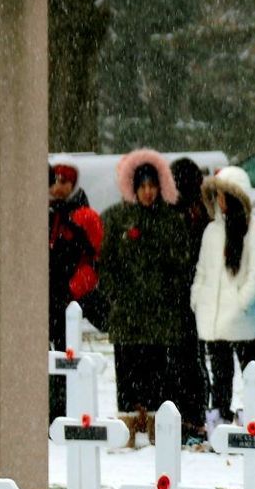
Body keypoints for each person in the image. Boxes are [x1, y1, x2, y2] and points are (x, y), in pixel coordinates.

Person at [96, 149, 194, 437]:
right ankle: (127, 425)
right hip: (127, 313)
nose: (148, 193)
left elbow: (181, 265)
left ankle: (154, 426)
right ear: (133, 187)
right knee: (127, 370)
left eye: (152, 186)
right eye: (143, 187)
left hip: (161, 315)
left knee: (156, 372)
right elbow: (105, 263)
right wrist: (116, 294)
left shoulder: (172, 220)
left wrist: (167, 294)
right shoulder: (116, 219)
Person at [192, 165, 255, 433]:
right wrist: (198, 300)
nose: (220, 201)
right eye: (217, 195)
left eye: (225, 195)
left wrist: (238, 305)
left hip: (241, 320)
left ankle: (252, 419)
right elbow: (202, 271)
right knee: (220, 376)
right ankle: (220, 421)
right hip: (212, 320)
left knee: (251, 373)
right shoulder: (212, 231)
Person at [47, 163, 104, 420]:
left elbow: (94, 260)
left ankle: (64, 408)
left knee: (66, 356)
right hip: (46, 296)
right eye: (54, 181)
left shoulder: (84, 216)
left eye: (63, 181)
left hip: (68, 298)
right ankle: (50, 407)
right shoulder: (47, 214)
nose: (58, 187)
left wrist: (73, 289)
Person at [169, 157, 211, 429]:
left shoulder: (196, 213)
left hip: (191, 294)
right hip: (185, 294)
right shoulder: (197, 212)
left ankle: (192, 412)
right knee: (189, 358)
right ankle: (190, 411)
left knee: (189, 358)